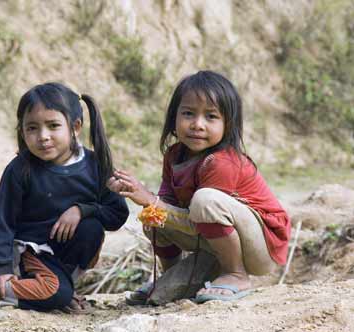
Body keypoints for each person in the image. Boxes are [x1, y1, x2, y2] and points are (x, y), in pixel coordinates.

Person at [0, 82, 129, 319]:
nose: (43, 137)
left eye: (53, 126)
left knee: (91, 228)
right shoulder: (20, 170)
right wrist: (0, 271)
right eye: (32, 128)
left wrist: (82, 210)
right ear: (22, 130)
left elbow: (117, 215)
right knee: (56, 295)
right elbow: (3, 222)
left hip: (60, 256)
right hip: (30, 251)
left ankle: (62, 287)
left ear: (75, 127)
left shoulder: (95, 165)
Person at [108, 70, 291, 303]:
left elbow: (199, 218)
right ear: (174, 118)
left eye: (211, 117)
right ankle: (169, 275)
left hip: (261, 246)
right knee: (152, 218)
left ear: (228, 124)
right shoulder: (175, 155)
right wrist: (135, 192)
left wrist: (149, 199)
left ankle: (235, 273)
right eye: (188, 113)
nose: (197, 125)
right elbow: (168, 205)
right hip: (216, 238)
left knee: (204, 200)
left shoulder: (222, 161)